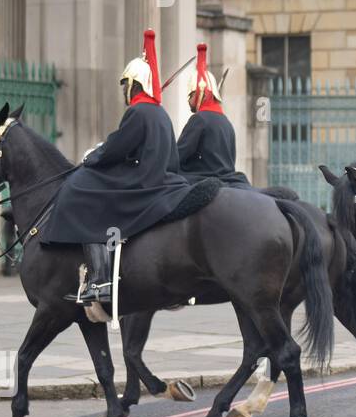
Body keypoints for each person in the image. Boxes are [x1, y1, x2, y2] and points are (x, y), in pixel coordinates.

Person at [43, 29, 194, 306]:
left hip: (141, 182)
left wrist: (93, 156)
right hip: (161, 178)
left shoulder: (137, 112)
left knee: (81, 188)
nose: (124, 90)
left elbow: (117, 148)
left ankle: (100, 279)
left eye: (126, 84)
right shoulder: (160, 113)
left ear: (133, 84)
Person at [176, 43, 250, 188]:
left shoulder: (199, 119)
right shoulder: (226, 122)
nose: (188, 101)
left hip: (203, 180)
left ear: (200, 94)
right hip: (229, 180)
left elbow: (178, 156)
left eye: (190, 95)